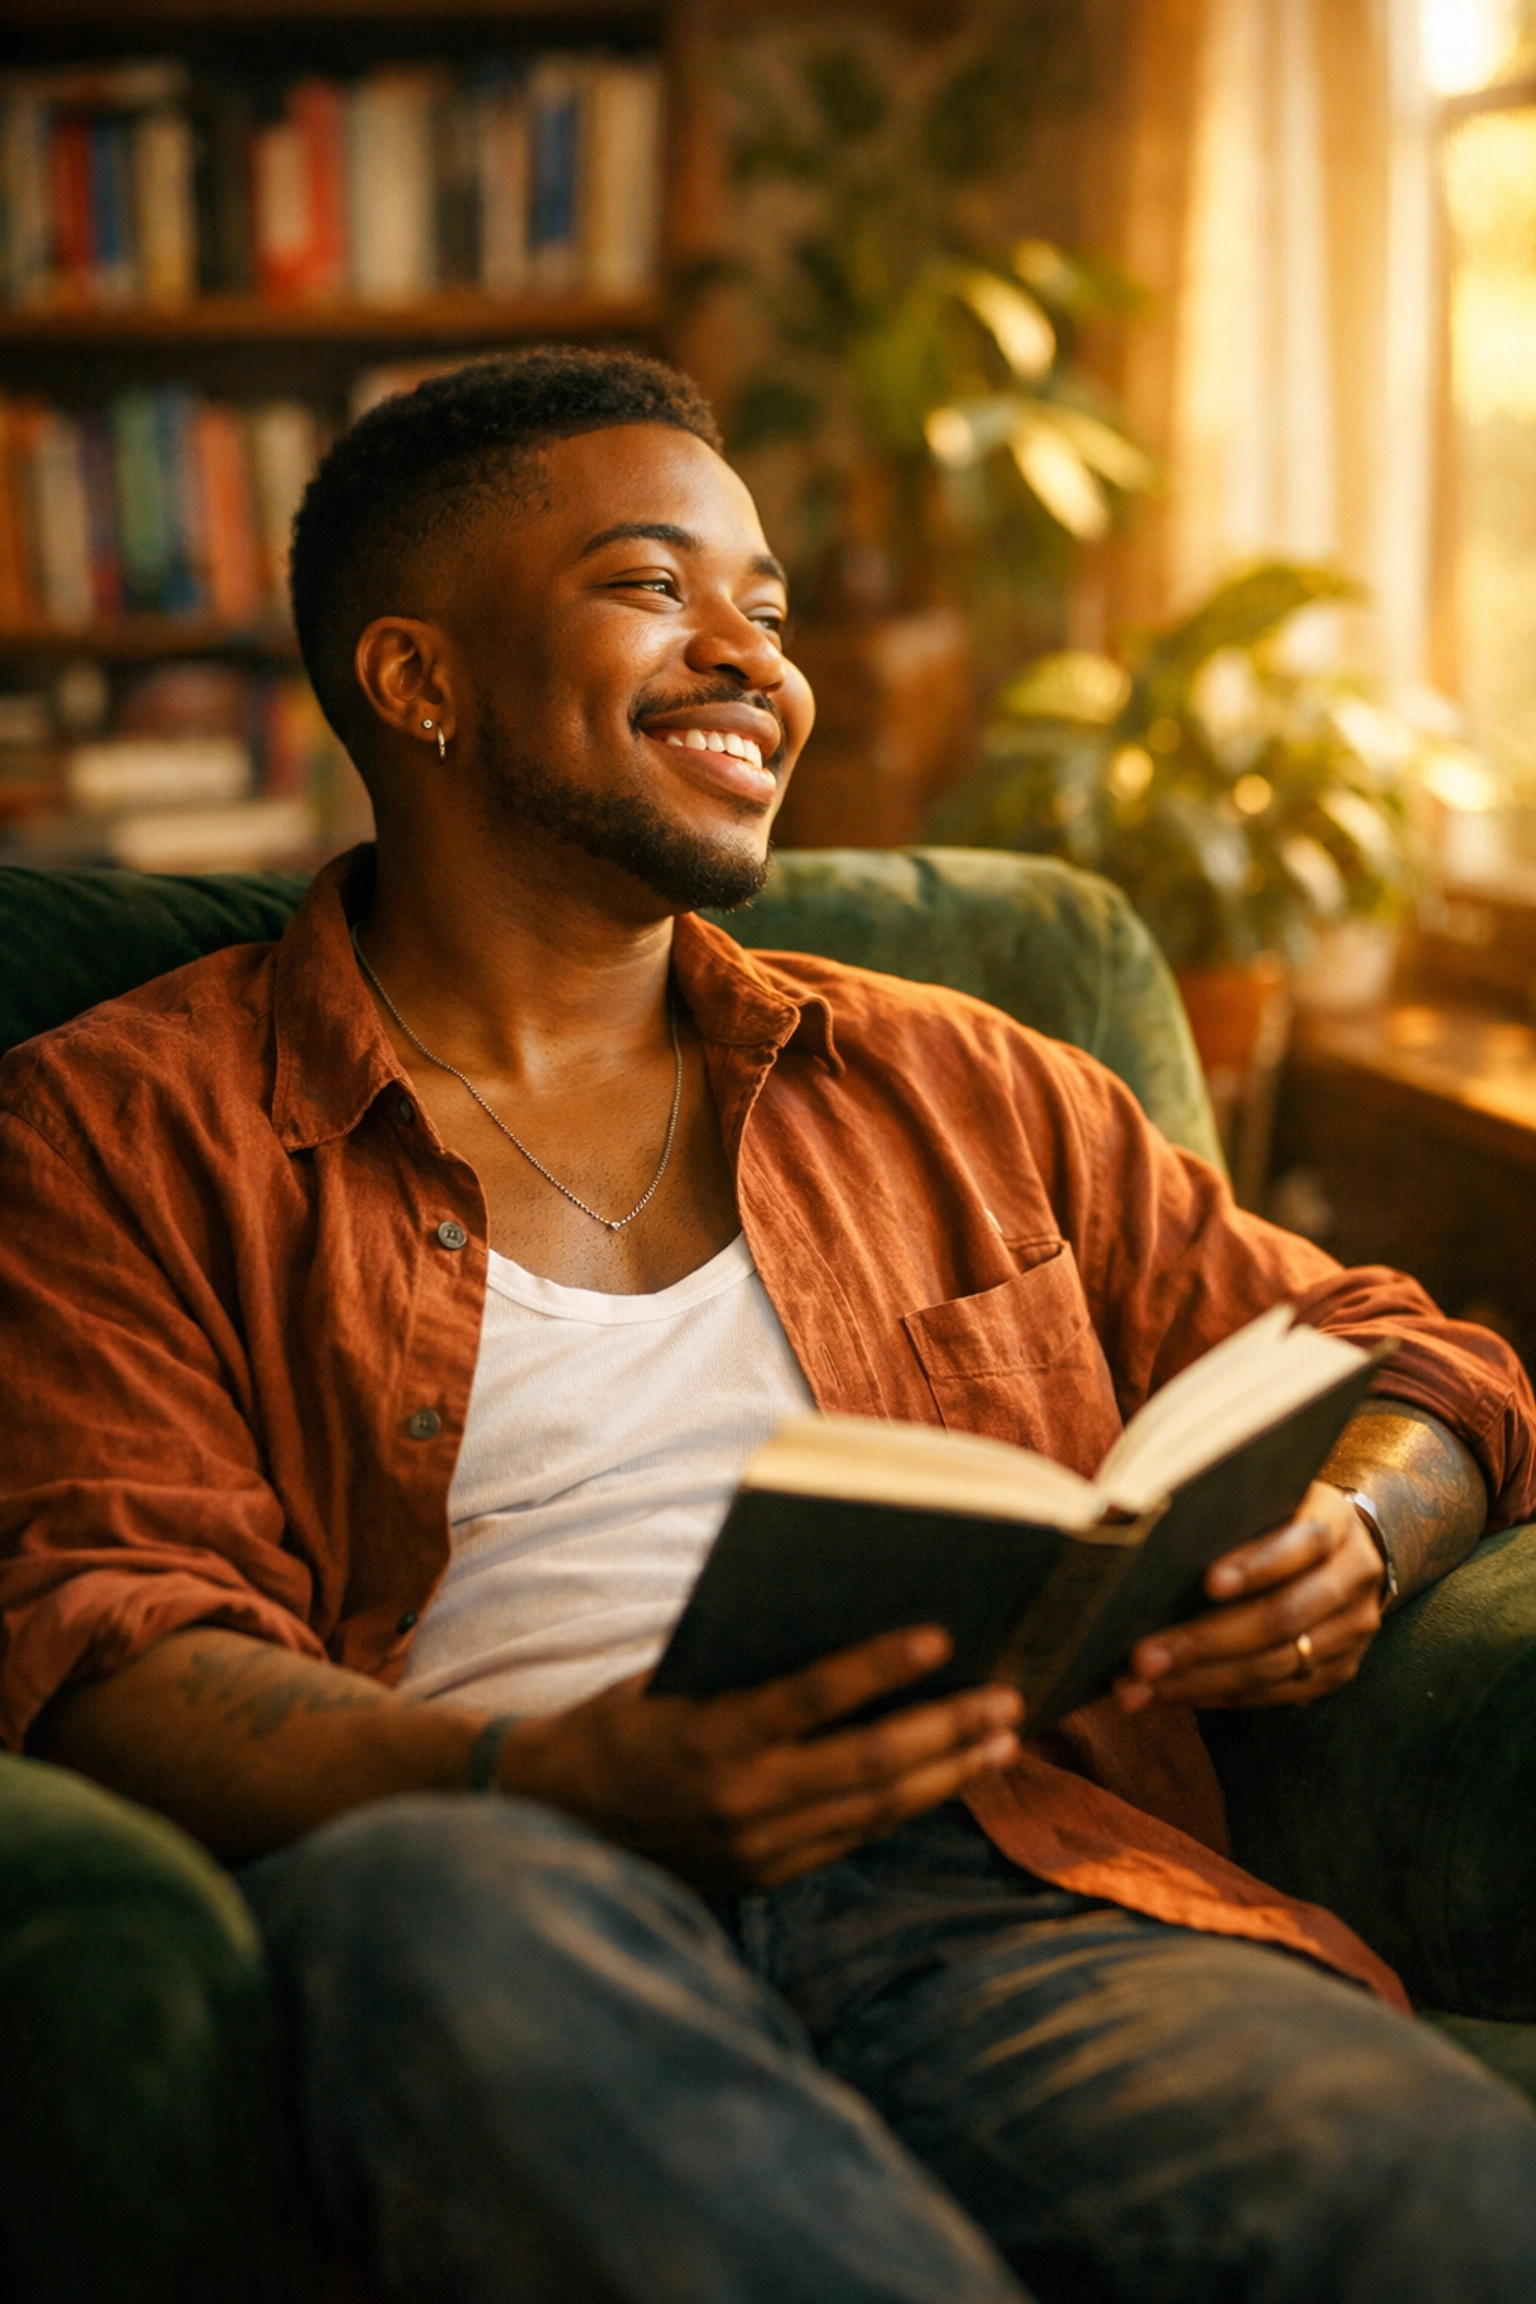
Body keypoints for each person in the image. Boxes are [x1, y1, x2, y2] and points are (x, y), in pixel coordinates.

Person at [3, 347, 1535, 2304]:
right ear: (419, 682)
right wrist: (556, 1785)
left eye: (770, 607)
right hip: (498, 1888)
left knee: (1448, 2207)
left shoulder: (967, 1081)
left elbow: (1407, 1347)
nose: (754, 659)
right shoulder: (112, 1128)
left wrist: (1365, 1529)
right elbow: (113, 1647)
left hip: (1005, 1884)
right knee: (422, 1913)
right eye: (656, 585)